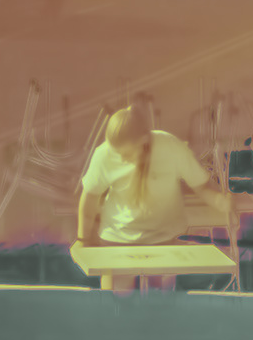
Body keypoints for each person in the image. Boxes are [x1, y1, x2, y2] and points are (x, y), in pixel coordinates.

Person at [73, 99, 230, 250]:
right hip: (116, 239)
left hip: (166, 238)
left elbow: (201, 187)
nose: (121, 158)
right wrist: (82, 239)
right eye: (116, 153)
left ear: (143, 141)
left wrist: (219, 201)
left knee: (161, 276)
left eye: (126, 153)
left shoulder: (170, 147)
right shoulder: (103, 154)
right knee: (115, 277)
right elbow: (90, 197)